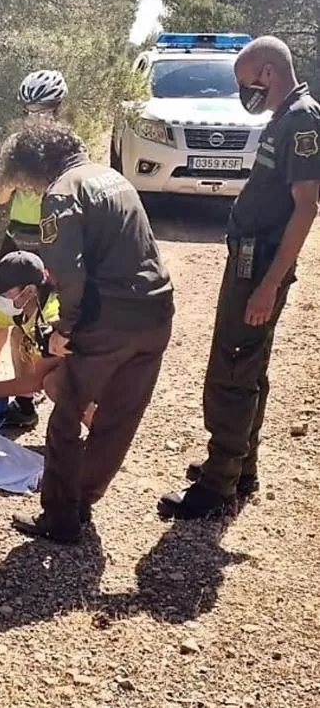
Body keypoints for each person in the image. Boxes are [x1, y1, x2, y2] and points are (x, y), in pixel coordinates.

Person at [160, 36, 320, 520]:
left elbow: (306, 208)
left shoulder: (302, 120)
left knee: (231, 368)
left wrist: (269, 284)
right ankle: (239, 465)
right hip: (253, 261)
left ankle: (218, 485)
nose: (243, 92)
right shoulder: (286, 116)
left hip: (261, 266)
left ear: (267, 73)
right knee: (247, 363)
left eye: (245, 82)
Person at [0, 119, 174, 543]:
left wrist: (65, 328)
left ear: (33, 165)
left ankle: (60, 516)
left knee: (67, 413)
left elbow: (68, 272)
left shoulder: (62, 193)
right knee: (117, 419)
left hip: (109, 318)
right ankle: (84, 502)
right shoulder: (113, 178)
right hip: (156, 311)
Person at [0, 71, 69, 412]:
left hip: (51, 239)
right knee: (4, 311)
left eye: (44, 110)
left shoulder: (68, 147)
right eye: (31, 110)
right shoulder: (15, 145)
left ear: (58, 108)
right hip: (17, 236)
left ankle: (29, 394)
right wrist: (13, 176)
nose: (37, 117)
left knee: (33, 321)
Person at [0, 252, 96, 429]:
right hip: (83, 367)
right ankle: (24, 407)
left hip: (102, 373)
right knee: (19, 335)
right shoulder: (18, 307)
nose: (0, 297)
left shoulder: (51, 319)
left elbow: (36, 381)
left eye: (6, 291)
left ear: (30, 291)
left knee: (55, 384)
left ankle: (103, 435)